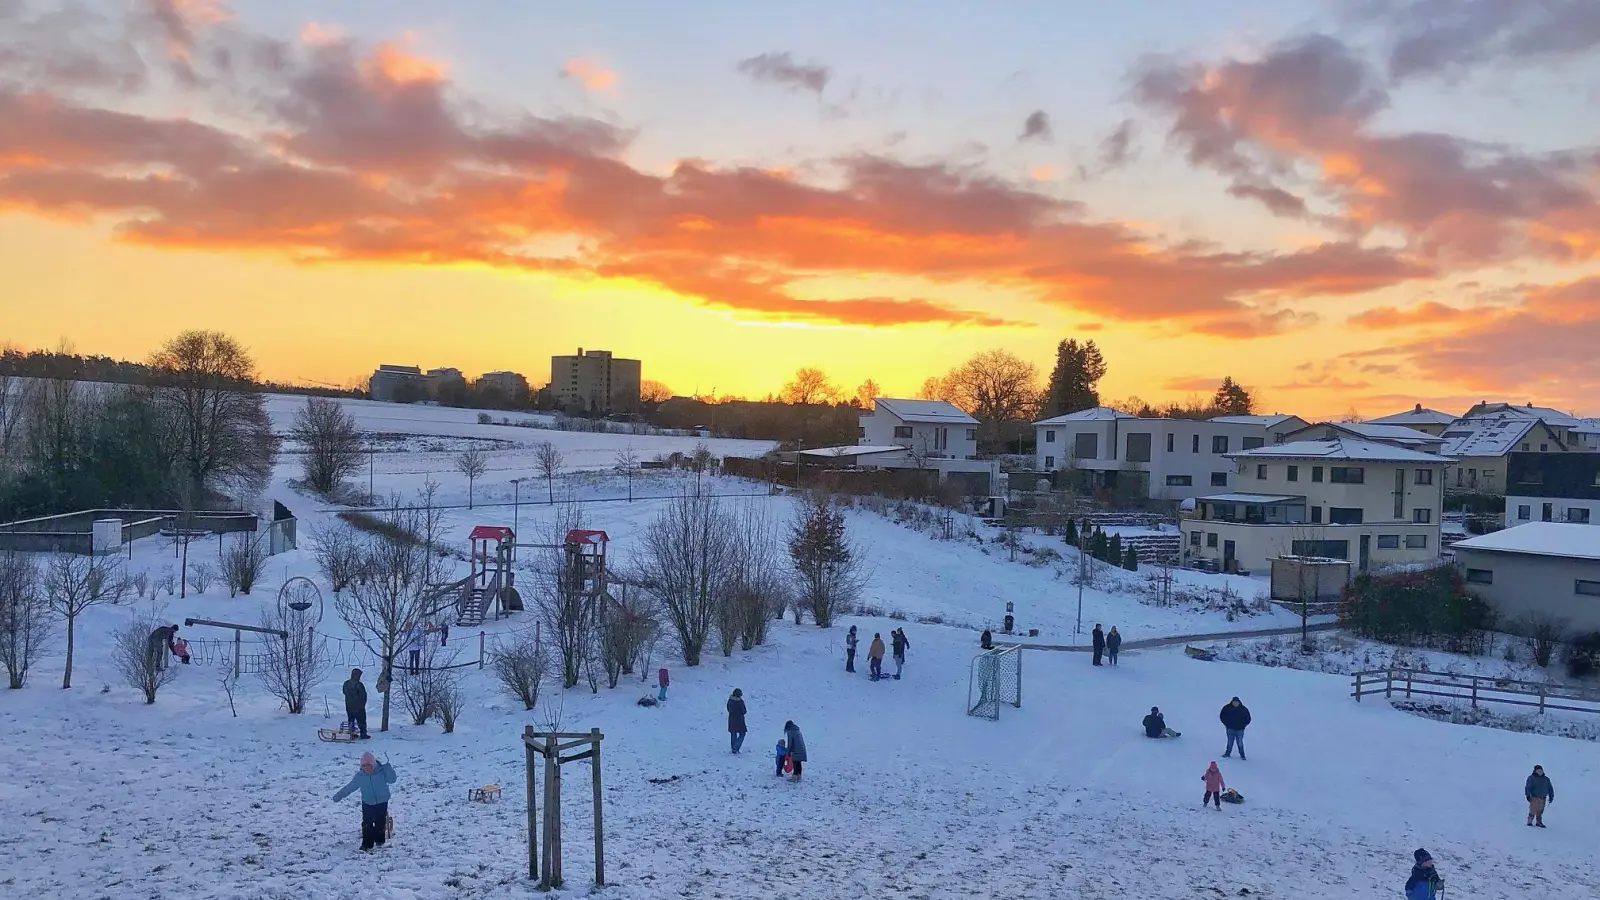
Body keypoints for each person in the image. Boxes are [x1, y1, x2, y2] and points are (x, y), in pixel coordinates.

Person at [332, 751, 398, 851]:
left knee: (380, 821)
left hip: (382, 801)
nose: (367, 768)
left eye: (369, 765)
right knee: (367, 823)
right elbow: (350, 787)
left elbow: (392, 779)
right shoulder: (360, 777)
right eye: (364, 766)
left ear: (374, 765)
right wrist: (339, 796)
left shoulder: (382, 772)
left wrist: (387, 768)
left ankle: (380, 839)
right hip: (367, 802)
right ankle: (367, 844)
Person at [343, 668, 370, 739]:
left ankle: (352, 733)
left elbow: (344, 692)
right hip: (359, 707)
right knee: (361, 721)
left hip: (349, 706)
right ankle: (363, 733)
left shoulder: (346, 683)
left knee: (351, 720)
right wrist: (362, 703)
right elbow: (363, 695)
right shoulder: (359, 685)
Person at [727, 688, 747, 754]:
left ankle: (733, 748)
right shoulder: (740, 702)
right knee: (742, 733)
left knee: (733, 733)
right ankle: (736, 747)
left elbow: (728, 709)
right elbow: (744, 711)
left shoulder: (730, 701)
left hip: (732, 719)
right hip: (740, 720)